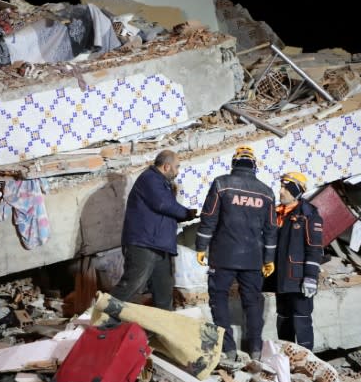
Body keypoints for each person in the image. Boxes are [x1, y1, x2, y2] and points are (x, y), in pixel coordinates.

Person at [194, 146, 277, 361]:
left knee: (219, 299)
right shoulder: (266, 192)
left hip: (223, 255)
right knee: (252, 302)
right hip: (253, 257)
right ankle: (256, 349)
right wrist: (268, 259)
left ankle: (228, 349)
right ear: (254, 166)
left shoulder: (221, 184)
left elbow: (209, 217)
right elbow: (270, 229)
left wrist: (201, 246)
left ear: (234, 163)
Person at [110, 149, 197, 310]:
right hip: (144, 245)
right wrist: (186, 213)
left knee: (164, 291)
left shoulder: (161, 183)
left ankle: (160, 332)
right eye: (176, 167)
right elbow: (163, 205)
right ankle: (103, 322)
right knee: (131, 284)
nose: (177, 172)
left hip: (159, 247)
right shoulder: (149, 179)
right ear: (166, 166)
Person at [268, 171, 324, 351]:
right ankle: (287, 357)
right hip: (280, 278)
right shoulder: (277, 214)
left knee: (302, 319)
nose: (281, 191)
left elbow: (314, 249)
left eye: (285, 188)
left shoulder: (308, 215)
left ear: (296, 190)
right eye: (281, 187)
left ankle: (307, 359)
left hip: (299, 279)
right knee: (283, 318)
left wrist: (311, 277)